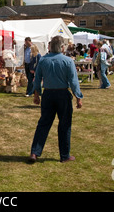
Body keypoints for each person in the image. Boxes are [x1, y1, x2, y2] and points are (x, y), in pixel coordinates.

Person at [29, 36, 83, 164]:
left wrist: (37, 95)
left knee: (43, 124)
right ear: (62, 47)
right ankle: (64, 155)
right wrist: (78, 97)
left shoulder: (43, 60)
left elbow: (36, 79)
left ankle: (34, 152)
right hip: (63, 94)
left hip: (48, 94)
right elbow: (73, 82)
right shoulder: (68, 61)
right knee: (65, 125)